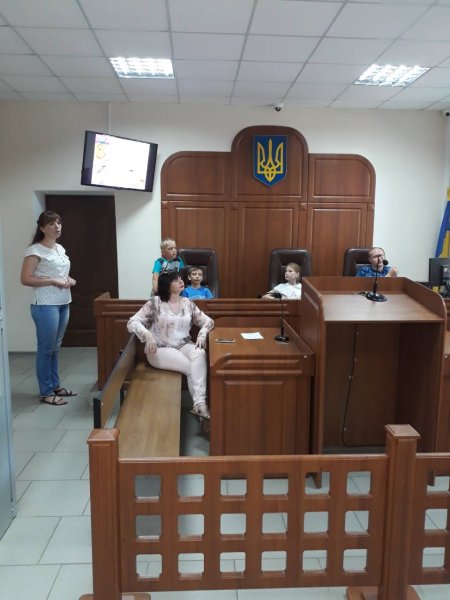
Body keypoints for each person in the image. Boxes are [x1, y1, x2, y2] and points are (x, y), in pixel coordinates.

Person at [128, 271, 214, 421]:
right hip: (159, 349)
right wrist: (147, 334)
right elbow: (132, 322)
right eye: (176, 280)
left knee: (200, 353)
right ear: (167, 285)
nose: (181, 282)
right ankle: (201, 405)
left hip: (184, 344)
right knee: (190, 367)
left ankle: (199, 407)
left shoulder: (187, 303)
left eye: (181, 279)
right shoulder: (155, 303)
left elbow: (208, 321)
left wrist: (202, 333)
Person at [20, 210, 77, 406]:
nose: (57, 226)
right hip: (45, 304)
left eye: (59, 222)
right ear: (42, 228)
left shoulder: (59, 248)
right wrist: (53, 280)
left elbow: (60, 273)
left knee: (55, 348)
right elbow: (26, 279)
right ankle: (45, 392)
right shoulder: (35, 250)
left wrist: (68, 279)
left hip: (63, 301)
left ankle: (55, 385)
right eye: (52, 223)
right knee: (46, 349)